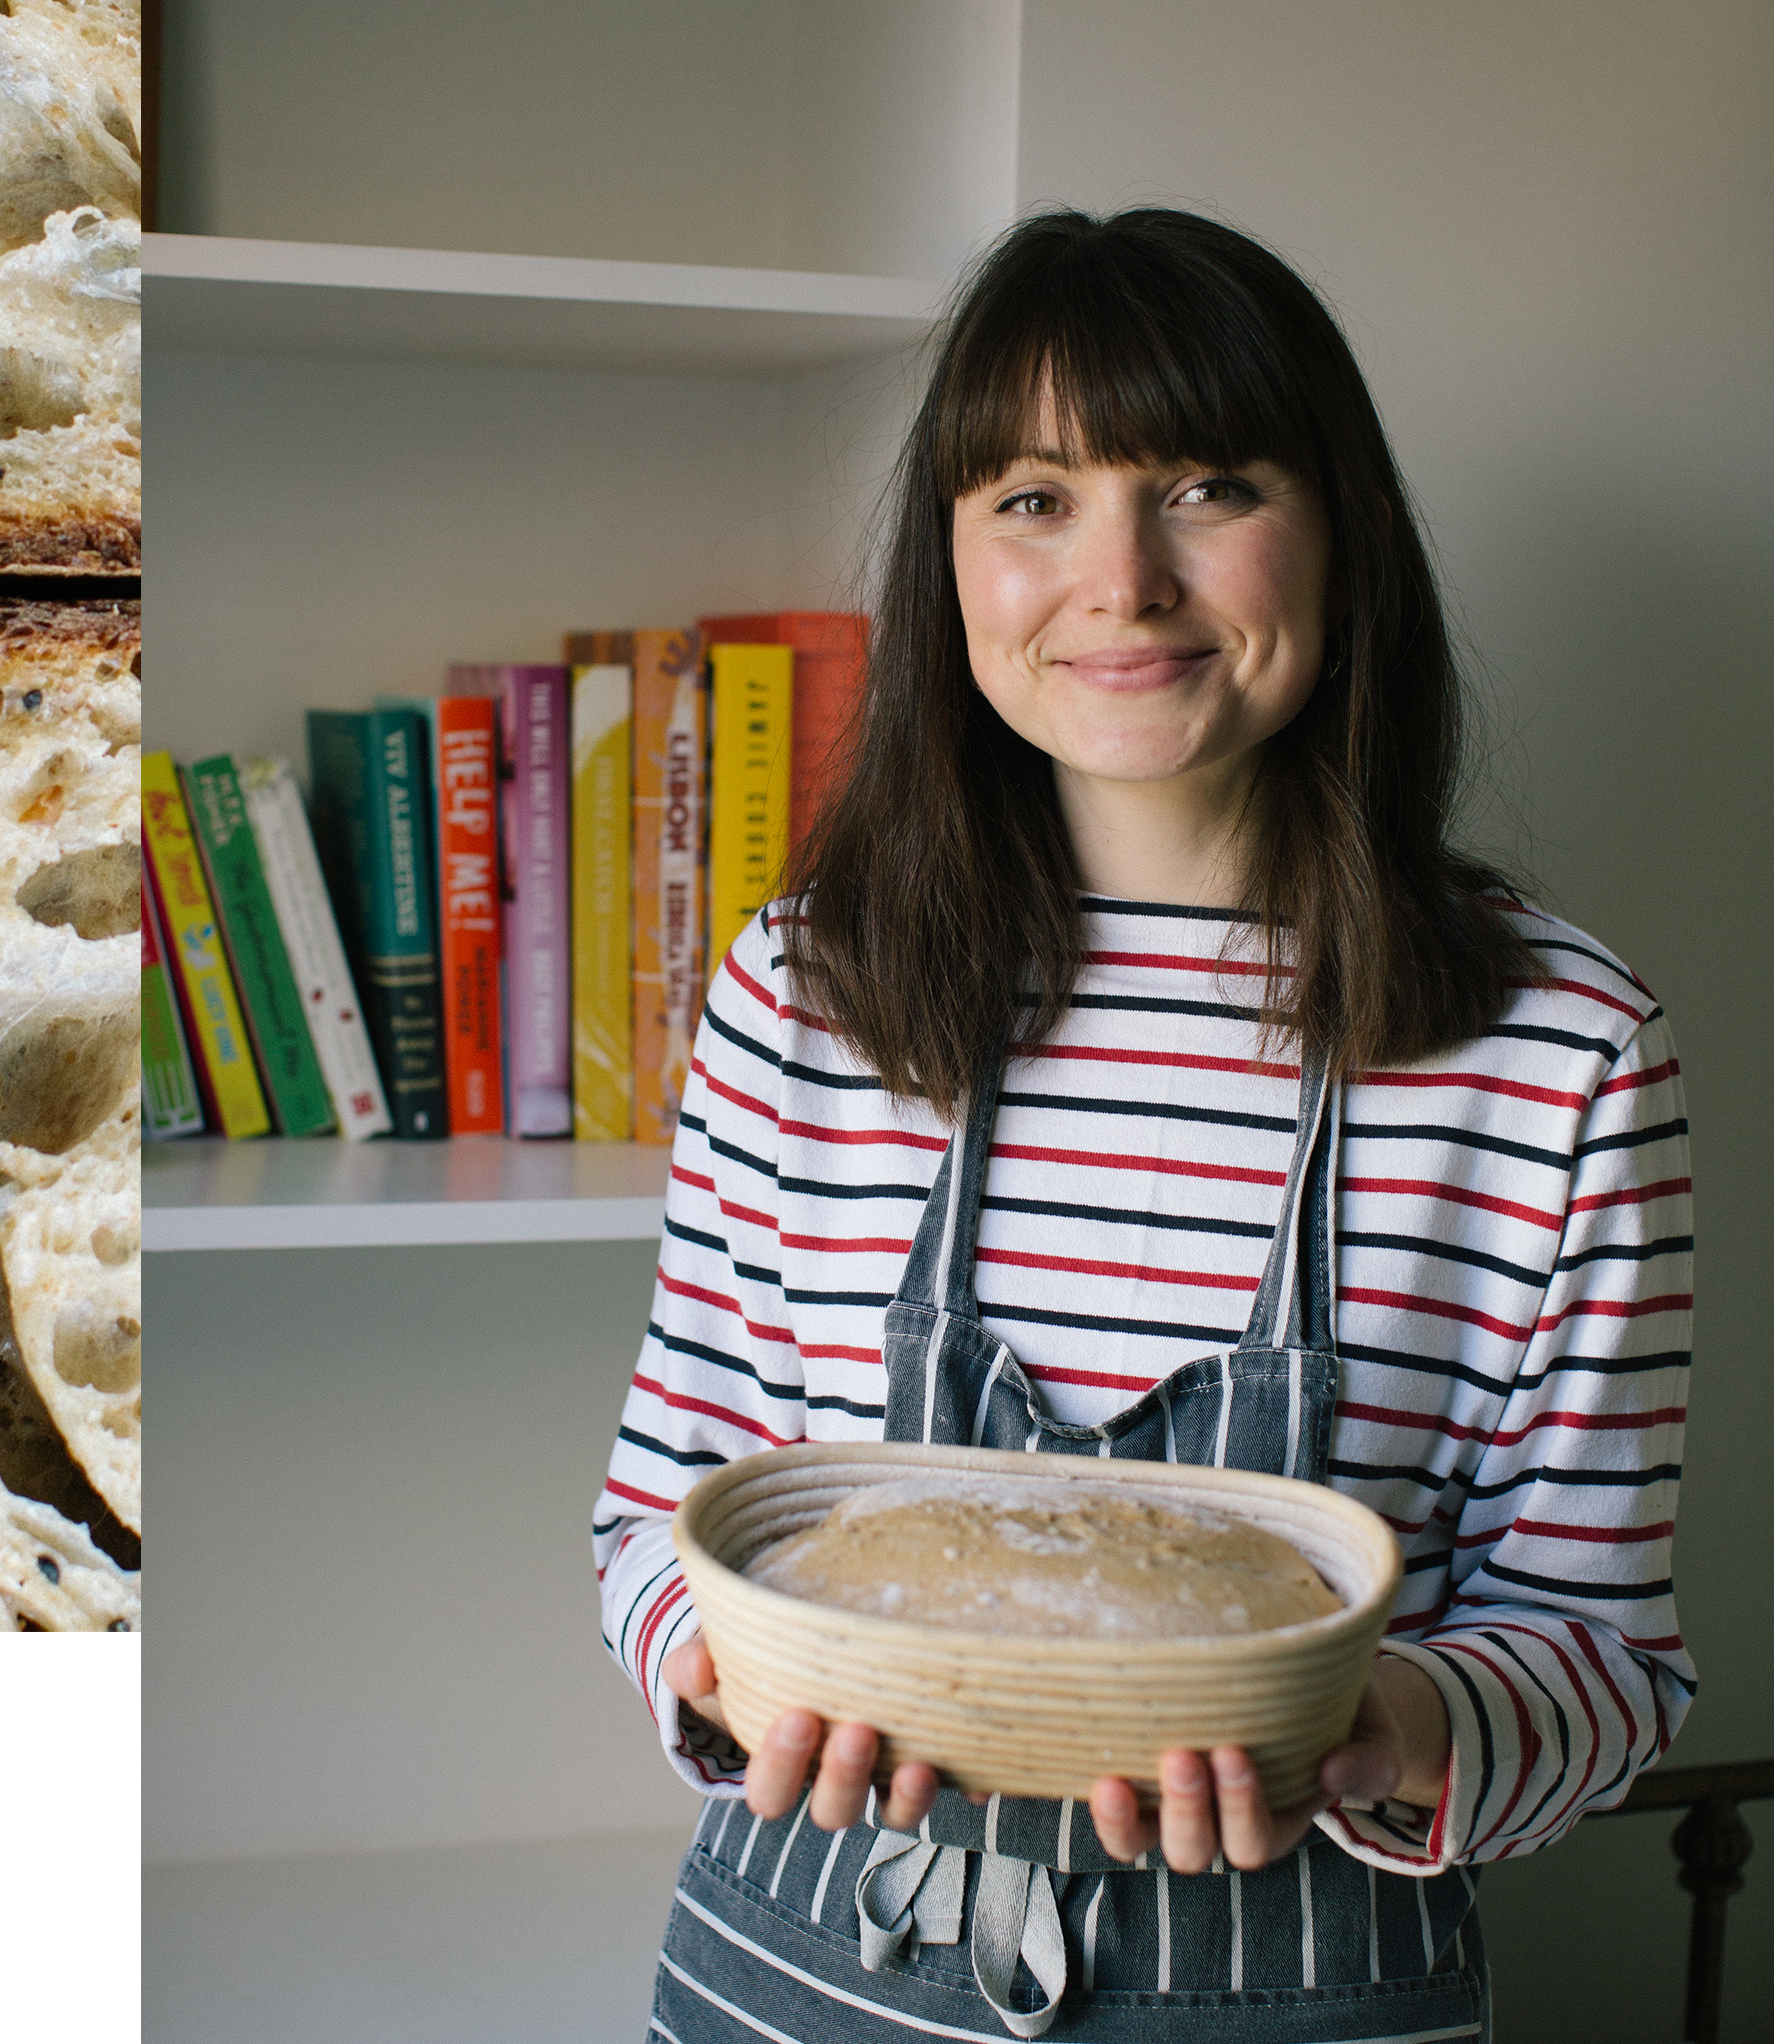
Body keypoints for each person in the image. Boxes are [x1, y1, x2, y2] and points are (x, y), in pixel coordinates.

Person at [594, 207, 1694, 2042]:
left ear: (1339, 533)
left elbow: (1604, 1652)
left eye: (1204, 487)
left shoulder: (1561, 1049)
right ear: (953, 562)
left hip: (1310, 1987)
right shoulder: (804, 988)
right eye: (1033, 499)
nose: (1120, 580)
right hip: (799, 1976)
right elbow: (661, 1507)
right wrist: (731, 1676)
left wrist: (1379, 1733)